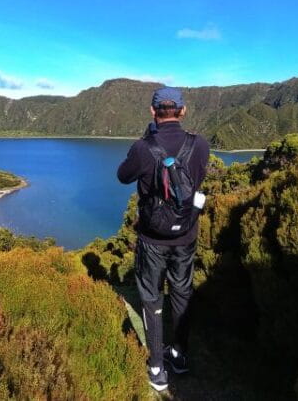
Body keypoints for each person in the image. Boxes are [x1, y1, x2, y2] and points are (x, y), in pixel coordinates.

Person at [117, 86, 210, 392]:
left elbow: (123, 175)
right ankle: (180, 356)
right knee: (182, 292)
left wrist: (146, 141)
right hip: (186, 234)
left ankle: (157, 367)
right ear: (182, 111)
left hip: (152, 238)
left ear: (152, 111)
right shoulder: (200, 145)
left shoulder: (144, 148)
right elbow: (197, 179)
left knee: (151, 297)